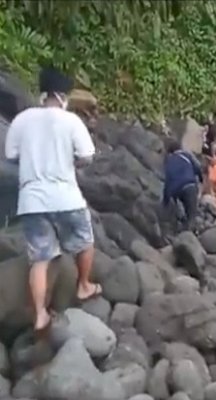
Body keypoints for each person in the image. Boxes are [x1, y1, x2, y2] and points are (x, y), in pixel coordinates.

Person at [4, 67, 100, 333]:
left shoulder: (22, 120)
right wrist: (71, 161)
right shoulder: (70, 122)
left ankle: (40, 315)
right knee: (85, 241)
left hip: (32, 201)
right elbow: (87, 156)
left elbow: (11, 154)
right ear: (61, 96)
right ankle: (83, 285)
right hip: (66, 197)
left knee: (40, 258)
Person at [162, 138, 203, 233]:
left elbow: (168, 181)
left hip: (177, 191)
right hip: (190, 186)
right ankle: (189, 237)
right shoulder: (186, 156)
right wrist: (201, 179)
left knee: (183, 211)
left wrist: (165, 200)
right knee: (192, 214)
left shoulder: (169, 162)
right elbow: (197, 167)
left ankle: (184, 228)